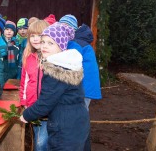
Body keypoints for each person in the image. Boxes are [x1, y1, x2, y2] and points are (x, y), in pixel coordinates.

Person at [20, 22, 89, 151]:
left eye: (51, 43)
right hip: (78, 122)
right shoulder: (69, 64)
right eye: (43, 42)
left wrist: (26, 115)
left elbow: (45, 103)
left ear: (61, 46)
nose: (44, 46)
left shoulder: (55, 70)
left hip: (64, 126)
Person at [59, 14, 102, 151]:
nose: (63, 29)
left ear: (73, 29)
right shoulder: (81, 41)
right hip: (85, 87)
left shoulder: (75, 44)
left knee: (78, 120)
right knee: (82, 118)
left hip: (83, 88)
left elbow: (69, 66)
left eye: (66, 27)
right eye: (61, 26)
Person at [19, 20, 49, 151]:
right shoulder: (29, 57)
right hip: (33, 106)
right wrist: (24, 101)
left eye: (39, 35)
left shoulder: (51, 58)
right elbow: (24, 82)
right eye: (32, 36)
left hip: (48, 108)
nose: (35, 39)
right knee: (37, 138)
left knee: (42, 143)